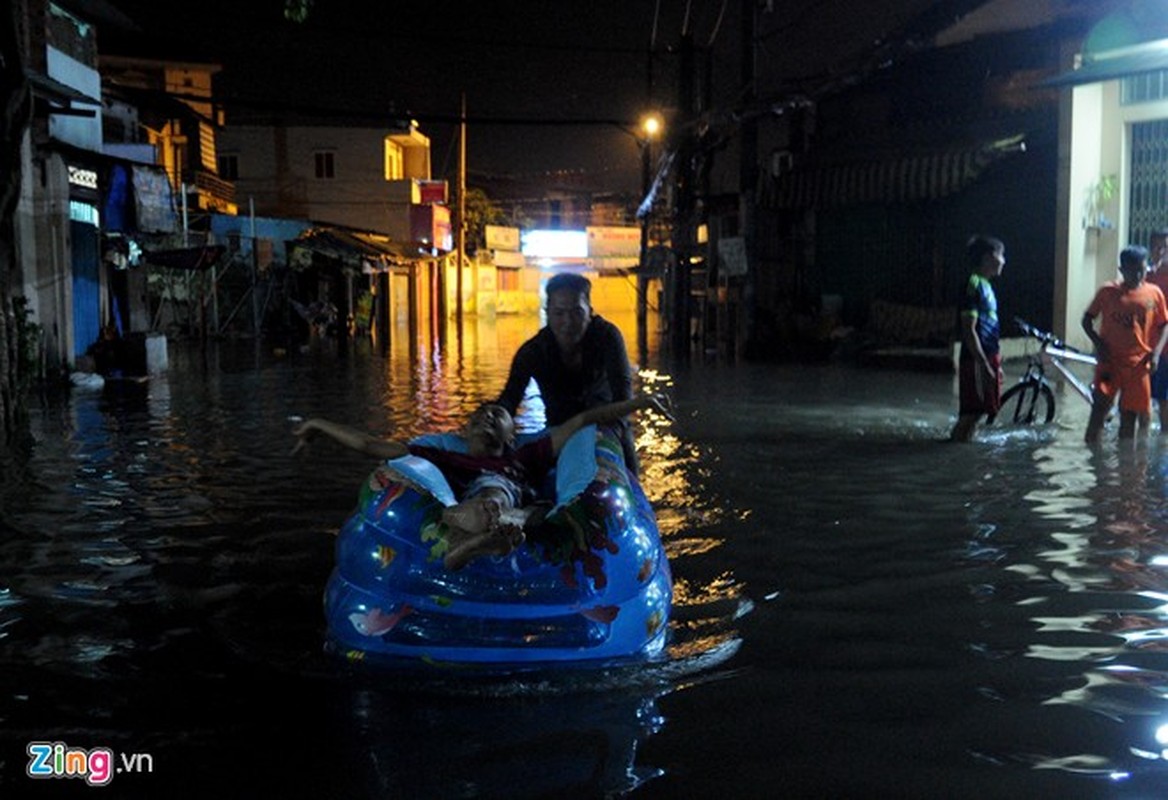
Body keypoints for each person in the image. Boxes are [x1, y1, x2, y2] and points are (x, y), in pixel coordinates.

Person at [292, 392, 672, 570]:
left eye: (498, 415)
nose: (488, 417)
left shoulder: (524, 455)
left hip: (518, 509)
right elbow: (369, 444)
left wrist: (638, 404)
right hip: (474, 503)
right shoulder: (443, 455)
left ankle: (473, 542)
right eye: (480, 415)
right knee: (484, 500)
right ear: (465, 430)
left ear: (511, 434)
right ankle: (473, 532)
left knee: (537, 515)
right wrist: (316, 425)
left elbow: (582, 421)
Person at [495, 272, 640, 472]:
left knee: (629, 462)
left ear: (590, 311)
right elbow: (510, 400)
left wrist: (609, 438)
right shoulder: (533, 351)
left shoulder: (607, 337)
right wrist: (490, 423)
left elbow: (623, 397)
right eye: (559, 313)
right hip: (559, 431)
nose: (568, 322)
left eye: (576, 312)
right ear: (547, 313)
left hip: (608, 427)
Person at [1082, 244, 1168, 445]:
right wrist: (1098, 343)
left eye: (1142, 269)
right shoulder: (1107, 292)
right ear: (1122, 270)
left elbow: (1164, 325)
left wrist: (1155, 354)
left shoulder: (1154, 294)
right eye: (1132, 270)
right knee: (1099, 411)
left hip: (1138, 367)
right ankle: (1096, 467)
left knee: (1129, 418)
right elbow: (1087, 320)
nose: (1138, 275)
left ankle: (1125, 468)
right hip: (1108, 364)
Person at [950, 235, 1006, 442]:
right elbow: (969, 329)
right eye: (1001, 255)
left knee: (978, 414)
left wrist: (995, 363)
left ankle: (963, 456)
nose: (1003, 261)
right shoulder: (973, 284)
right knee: (971, 415)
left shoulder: (987, 286)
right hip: (975, 360)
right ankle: (953, 458)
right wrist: (983, 365)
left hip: (986, 358)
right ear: (988, 257)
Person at [1146, 229, 1168, 432]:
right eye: (1157, 248)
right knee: (1140, 403)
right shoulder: (1145, 277)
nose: (1161, 252)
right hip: (1144, 347)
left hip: (1166, 352)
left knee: (1163, 402)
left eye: (1166, 248)